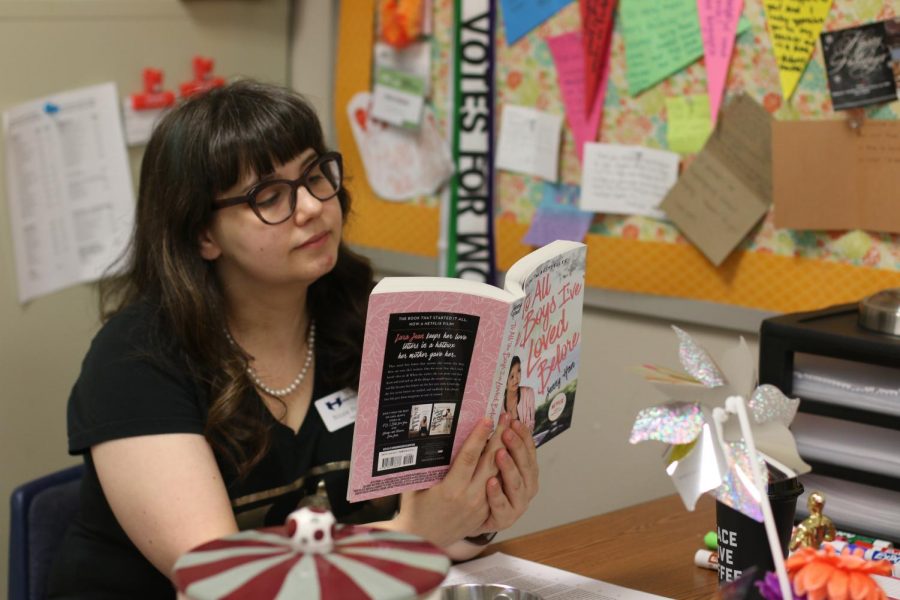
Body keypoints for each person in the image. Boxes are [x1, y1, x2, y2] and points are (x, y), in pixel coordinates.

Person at [48, 80, 538, 598]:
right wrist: (413, 535)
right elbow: (222, 578)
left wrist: (476, 512)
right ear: (203, 235)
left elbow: (422, 514)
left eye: (313, 175)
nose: (309, 206)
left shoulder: (372, 319)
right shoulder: (135, 358)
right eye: (269, 196)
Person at [504, 356, 536, 432]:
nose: (516, 379)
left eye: (518, 371)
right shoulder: (498, 402)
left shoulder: (528, 392)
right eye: (511, 376)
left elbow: (531, 424)